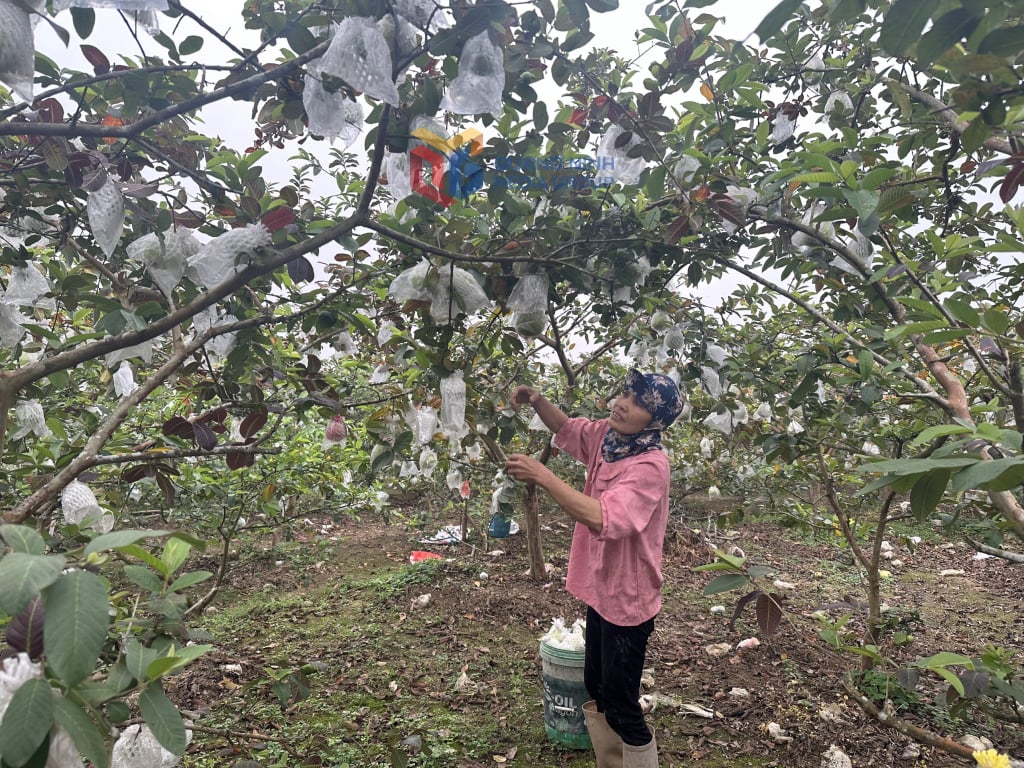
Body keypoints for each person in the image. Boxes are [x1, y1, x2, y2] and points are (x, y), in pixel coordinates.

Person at [505, 370, 684, 768]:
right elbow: (571, 430)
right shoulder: (610, 438)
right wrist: (537, 399)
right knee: (596, 685)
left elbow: (606, 518)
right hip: (603, 587)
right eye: (625, 393)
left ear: (654, 420)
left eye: (638, 402)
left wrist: (543, 475)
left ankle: (638, 759)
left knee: (621, 703)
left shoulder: (650, 466)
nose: (622, 403)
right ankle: (611, 760)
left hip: (628, 597)